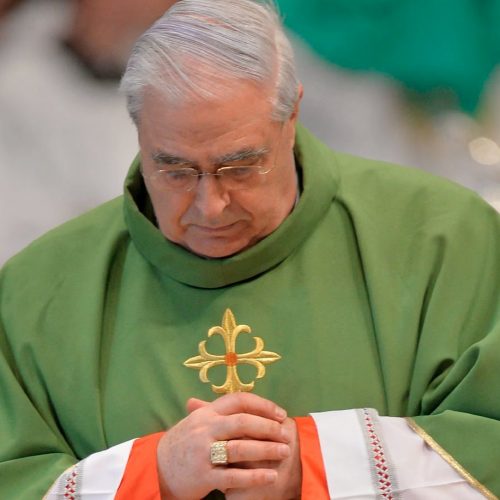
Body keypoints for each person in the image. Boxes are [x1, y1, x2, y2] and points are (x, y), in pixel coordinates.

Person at [0, 0, 499, 498]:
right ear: (139, 131)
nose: (210, 207)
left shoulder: (444, 240)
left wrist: (313, 463)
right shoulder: (35, 294)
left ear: (292, 113)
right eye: (175, 170)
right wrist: (154, 474)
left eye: (240, 167)